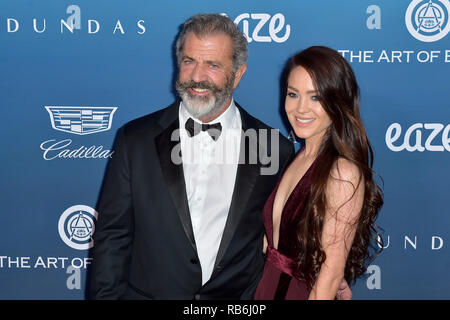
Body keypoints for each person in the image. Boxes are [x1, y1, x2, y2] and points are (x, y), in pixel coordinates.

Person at [89, 13, 295, 300]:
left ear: (237, 74)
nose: (197, 77)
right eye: (189, 61)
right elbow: (112, 237)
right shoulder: (135, 139)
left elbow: (284, 242)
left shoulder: (273, 147)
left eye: (212, 65)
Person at [254, 46, 384, 300]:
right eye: (293, 94)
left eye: (315, 97)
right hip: (268, 284)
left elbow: (330, 274)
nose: (301, 108)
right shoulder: (298, 157)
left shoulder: (342, 172)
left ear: (337, 101)